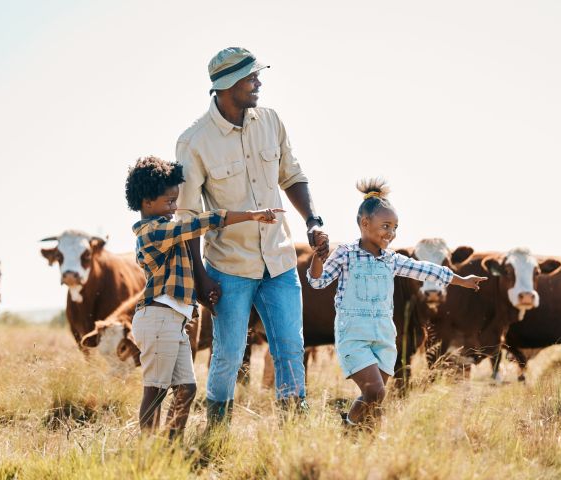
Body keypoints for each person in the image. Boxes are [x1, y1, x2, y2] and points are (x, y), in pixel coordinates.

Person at [176, 47, 328, 428]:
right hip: (228, 268)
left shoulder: (271, 121)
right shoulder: (194, 141)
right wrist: (200, 275)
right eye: (250, 77)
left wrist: (312, 219)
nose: (258, 82)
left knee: (291, 348)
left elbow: (291, 175)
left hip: (279, 261)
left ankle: (293, 428)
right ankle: (216, 429)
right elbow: (189, 217)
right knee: (228, 353)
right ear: (227, 85)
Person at [307, 178, 486, 429]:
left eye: (395, 227)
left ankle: (353, 429)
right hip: (354, 335)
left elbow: (425, 270)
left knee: (374, 399)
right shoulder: (345, 253)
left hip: (384, 337)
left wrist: (461, 280)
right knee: (376, 393)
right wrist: (317, 257)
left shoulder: (392, 260)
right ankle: (353, 427)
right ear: (364, 223)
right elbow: (317, 282)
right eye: (386, 226)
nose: (391, 233)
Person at [125, 156, 282, 439]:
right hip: (159, 319)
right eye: (169, 202)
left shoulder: (168, 234)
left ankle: (171, 449)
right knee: (156, 390)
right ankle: (146, 453)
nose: (174, 208)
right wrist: (249, 215)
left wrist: (204, 291)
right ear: (147, 202)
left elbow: (184, 272)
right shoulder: (154, 233)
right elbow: (200, 223)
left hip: (174, 321)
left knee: (187, 388)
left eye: (175, 201)